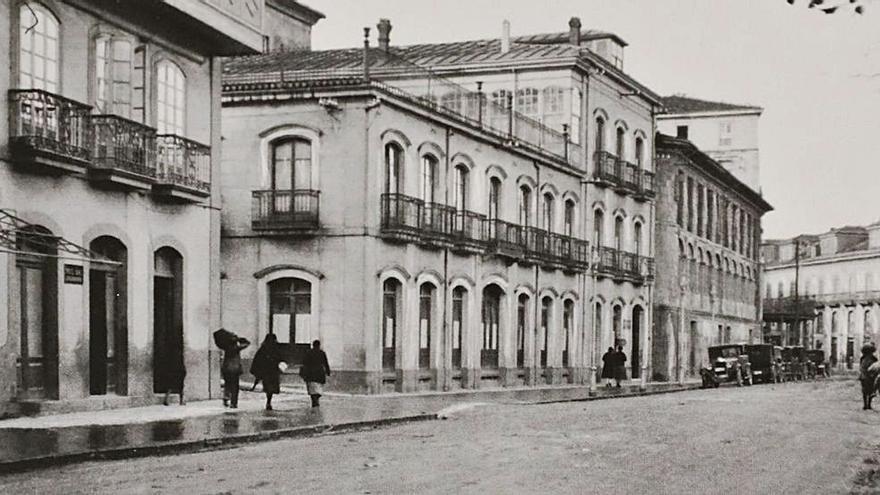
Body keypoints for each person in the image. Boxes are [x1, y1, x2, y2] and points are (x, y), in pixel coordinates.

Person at [251, 333, 284, 411]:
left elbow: (257, 360)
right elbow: (281, 358)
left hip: (266, 372)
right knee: (271, 387)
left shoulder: (263, 348)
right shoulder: (276, 348)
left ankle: (268, 401)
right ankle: (269, 401)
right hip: (273, 371)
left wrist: (257, 371)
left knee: (268, 387)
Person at [221, 336, 251, 409]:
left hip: (226, 369)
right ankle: (233, 403)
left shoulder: (226, 348)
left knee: (227, 384)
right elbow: (247, 343)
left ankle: (226, 396)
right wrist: (240, 339)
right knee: (235, 387)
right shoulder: (236, 348)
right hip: (234, 370)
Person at [160, 327, 186, 406]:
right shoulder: (179, 346)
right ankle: (181, 401)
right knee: (180, 384)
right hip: (178, 365)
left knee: (170, 383)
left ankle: (166, 398)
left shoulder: (168, 346)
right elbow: (181, 356)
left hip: (171, 366)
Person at [300, 340, 331, 407]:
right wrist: (328, 371)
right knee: (318, 388)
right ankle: (316, 399)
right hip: (319, 374)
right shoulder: (322, 353)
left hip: (310, 374)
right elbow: (326, 363)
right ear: (319, 345)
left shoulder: (308, 353)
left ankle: (314, 400)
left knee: (312, 389)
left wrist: (303, 373)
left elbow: (304, 363)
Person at [859, 344, 878, 410]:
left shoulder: (862, 358)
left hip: (865, 376)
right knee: (870, 390)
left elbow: (861, 367)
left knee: (865, 391)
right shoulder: (874, 358)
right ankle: (868, 405)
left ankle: (866, 405)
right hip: (870, 376)